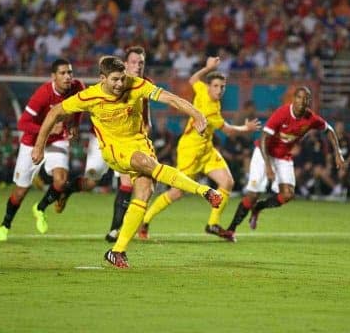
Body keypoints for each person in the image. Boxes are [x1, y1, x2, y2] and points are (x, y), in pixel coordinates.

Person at [31, 56, 223, 268]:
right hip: (114, 149)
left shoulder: (135, 84)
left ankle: (117, 251)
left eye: (122, 79)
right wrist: (39, 146)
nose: (120, 84)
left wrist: (196, 114)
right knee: (146, 164)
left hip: (140, 143)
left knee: (145, 191)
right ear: (102, 79)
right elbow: (54, 112)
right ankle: (204, 191)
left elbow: (171, 98)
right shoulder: (89, 96)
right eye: (114, 79)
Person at [138, 56, 260, 242]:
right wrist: (247, 128)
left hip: (207, 149)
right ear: (209, 87)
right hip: (191, 150)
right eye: (216, 86)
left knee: (227, 182)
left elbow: (193, 79)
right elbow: (228, 130)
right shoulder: (210, 109)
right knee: (177, 192)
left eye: (222, 87)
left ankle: (213, 224)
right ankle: (145, 221)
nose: (219, 90)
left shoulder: (203, 91)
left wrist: (207, 68)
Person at [54, 46, 153, 243]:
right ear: (125, 64)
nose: (138, 66)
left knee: (127, 183)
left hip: (127, 142)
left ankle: (114, 230)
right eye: (133, 62)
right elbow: (84, 104)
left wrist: (144, 130)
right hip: (101, 140)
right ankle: (68, 190)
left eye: (141, 63)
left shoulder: (144, 84)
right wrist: (73, 123)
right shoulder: (110, 83)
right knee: (91, 182)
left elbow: (145, 113)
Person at [225, 87, 345, 238]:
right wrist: (268, 166)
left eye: (306, 98)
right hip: (264, 153)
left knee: (287, 195)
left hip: (283, 157)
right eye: (300, 97)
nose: (303, 101)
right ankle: (231, 229)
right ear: (294, 99)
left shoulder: (311, 118)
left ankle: (259, 208)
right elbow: (263, 138)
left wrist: (338, 152)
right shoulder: (282, 113)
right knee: (253, 195)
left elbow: (329, 130)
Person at [0, 58, 85, 242]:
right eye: (63, 73)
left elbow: (80, 107)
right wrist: (49, 129)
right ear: (53, 77)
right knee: (20, 191)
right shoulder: (43, 94)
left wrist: (75, 124)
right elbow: (22, 123)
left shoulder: (78, 87)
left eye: (70, 72)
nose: (68, 77)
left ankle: (40, 208)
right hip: (32, 142)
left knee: (61, 181)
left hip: (57, 141)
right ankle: (5, 224)